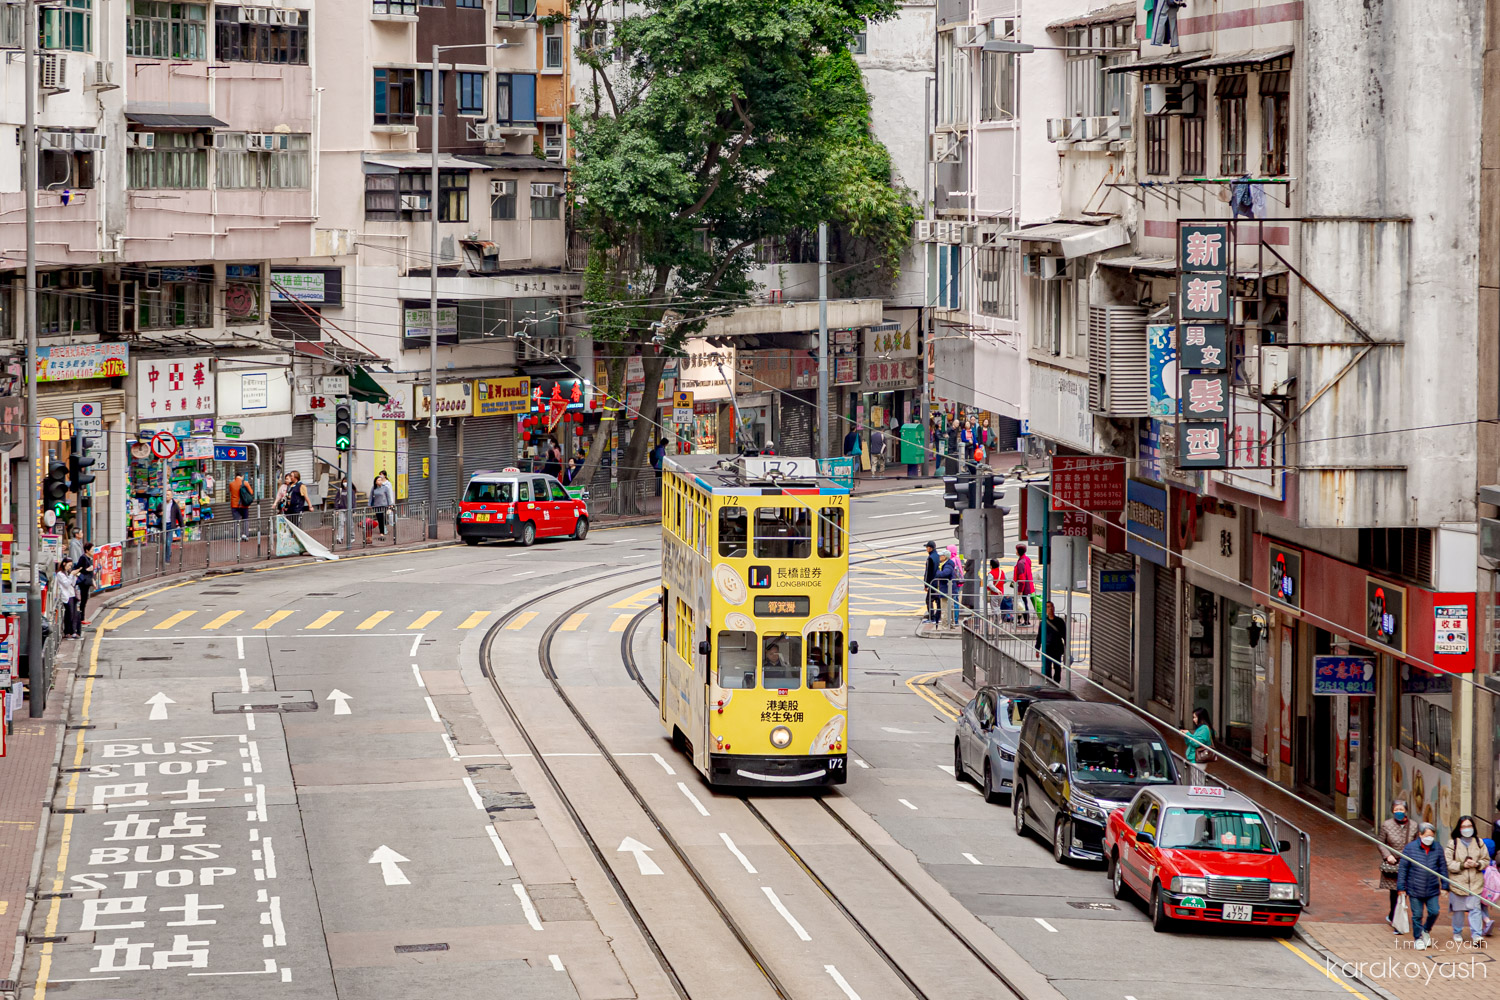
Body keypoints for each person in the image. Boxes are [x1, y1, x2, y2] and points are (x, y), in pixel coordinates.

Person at [1397, 822, 1446, 950]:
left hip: (1432, 888)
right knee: (1417, 914)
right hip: (1414, 889)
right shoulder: (1410, 848)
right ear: (1420, 835)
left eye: (1432, 835)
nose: (1429, 838)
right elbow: (1403, 869)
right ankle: (1417, 937)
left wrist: (1445, 885)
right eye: (1427, 835)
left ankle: (1426, 930)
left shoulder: (1438, 848)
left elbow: (1443, 867)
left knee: (1434, 911)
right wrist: (1401, 887)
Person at [1447, 815, 1492, 945]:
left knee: (1475, 910)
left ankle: (1477, 936)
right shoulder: (1453, 843)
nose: (1467, 829)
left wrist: (1477, 864)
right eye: (1464, 826)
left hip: (1475, 883)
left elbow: (1486, 860)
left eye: (1469, 826)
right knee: (1458, 911)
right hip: (1458, 883)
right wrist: (1462, 865)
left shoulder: (1479, 842)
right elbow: (1449, 863)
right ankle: (1457, 932)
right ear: (1459, 828)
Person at [1378, 800, 1421, 931]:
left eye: (1401, 810)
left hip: (1408, 864)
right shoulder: (1386, 825)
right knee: (1395, 892)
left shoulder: (1414, 825)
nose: (1399, 812)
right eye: (1396, 810)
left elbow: (1417, 843)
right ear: (1392, 810)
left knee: (1407, 890)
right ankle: (1393, 916)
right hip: (1394, 864)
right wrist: (1387, 855)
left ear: (1406, 810)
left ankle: (1406, 916)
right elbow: (1380, 842)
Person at [1036, 601, 1068, 684]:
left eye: (1051, 606)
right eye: (1048, 607)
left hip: (1057, 647)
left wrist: (1067, 647)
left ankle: (1056, 683)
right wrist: (1037, 648)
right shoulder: (1043, 622)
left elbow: (1065, 635)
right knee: (1047, 667)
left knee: (1057, 667)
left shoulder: (1060, 621)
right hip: (1047, 648)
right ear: (1045, 609)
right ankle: (1049, 682)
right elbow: (1039, 636)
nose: (1050, 609)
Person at [1181, 706, 1215, 784]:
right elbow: (1192, 742)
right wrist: (1186, 736)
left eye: (1195, 717)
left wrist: (1188, 734)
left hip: (1198, 760)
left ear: (1201, 718)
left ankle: (1198, 796)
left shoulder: (1204, 729)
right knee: (1196, 781)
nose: (1194, 720)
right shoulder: (1202, 728)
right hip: (1196, 759)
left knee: (1197, 783)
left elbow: (1196, 743)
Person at [54, 559, 78, 639]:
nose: (70, 567)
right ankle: (67, 632)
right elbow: (66, 584)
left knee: (74, 614)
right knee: (69, 614)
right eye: (69, 565)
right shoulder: (60, 574)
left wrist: (74, 576)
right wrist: (71, 575)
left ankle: (73, 631)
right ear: (64, 564)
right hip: (66, 596)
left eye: (71, 566)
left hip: (72, 594)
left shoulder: (68, 573)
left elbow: (73, 584)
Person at [1013, 543, 1035, 626]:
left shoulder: (1021, 563)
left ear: (1019, 551)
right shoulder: (1026, 559)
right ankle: (1022, 620)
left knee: (1023, 603)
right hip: (1028, 585)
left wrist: (1020, 590)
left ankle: (1026, 621)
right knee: (1023, 603)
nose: (1015, 552)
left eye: (1016, 550)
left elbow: (1021, 578)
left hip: (1023, 587)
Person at [75, 542, 94, 627]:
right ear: (87, 550)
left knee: (84, 600)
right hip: (83, 583)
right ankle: (82, 618)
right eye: (92, 549)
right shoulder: (83, 558)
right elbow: (79, 569)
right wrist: (87, 570)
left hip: (87, 582)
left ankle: (82, 617)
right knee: (83, 600)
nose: (93, 551)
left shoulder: (88, 558)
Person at [229, 470, 254, 537]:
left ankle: (237, 536)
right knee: (245, 519)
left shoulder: (231, 484)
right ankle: (245, 535)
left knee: (236, 521)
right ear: (242, 476)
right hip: (244, 505)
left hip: (234, 505)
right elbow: (251, 492)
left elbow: (231, 492)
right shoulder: (245, 483)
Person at [934, 548, 954, 627]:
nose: (939, 557)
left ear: (945, 557)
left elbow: (944, 574)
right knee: (949, 607)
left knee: (945, 608)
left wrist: (937, 571)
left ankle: (945, 625)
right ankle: (950, 624)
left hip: (946, 590)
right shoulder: (948, 564)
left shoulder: (948, 565)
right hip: (947, 589)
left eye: (940, 556)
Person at [161, 491, 182, 564]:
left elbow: (179, 516)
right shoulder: (162, 504)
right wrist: (160, 513)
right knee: (163, 542)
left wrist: (182, 526)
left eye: (168, 495)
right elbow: (156, 512)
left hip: (170, 525)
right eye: (165, 494)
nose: (166, 496)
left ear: (171, 496)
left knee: (168, 542)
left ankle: (167, 560)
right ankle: (168, 554)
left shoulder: (174, 505)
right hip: (163, 525)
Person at [923, 541, 940, 622]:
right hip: (938, 582)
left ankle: (932, 617)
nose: (926, 549)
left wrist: (926, 584)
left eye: (927, 547)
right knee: (937, 600)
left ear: (930, 548)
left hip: (932, 582)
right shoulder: (937, 556)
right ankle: (938, 617)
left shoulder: (930, 558)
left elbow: (928, 573)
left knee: (929, 600)